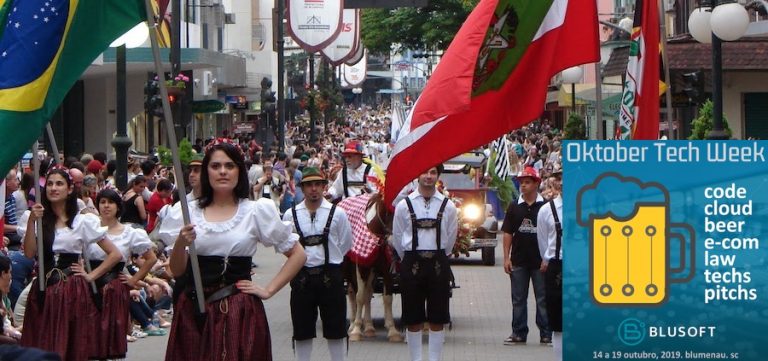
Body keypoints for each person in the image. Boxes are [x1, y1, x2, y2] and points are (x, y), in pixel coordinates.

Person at [159, 140, 306, 361]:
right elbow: (177, 270)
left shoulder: (255, 211)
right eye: (215, 166)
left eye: (229, 166)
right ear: (207, 171)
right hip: (193, 310)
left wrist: (268, 290)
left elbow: (298, 254)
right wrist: (181, 242)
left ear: (239, 171)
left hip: (238, 311)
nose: (223, 172)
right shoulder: (187, 212)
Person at [17, 167, 123, 361]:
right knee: (42, 340)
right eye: (49, 184)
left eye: (59, 184)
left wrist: (90, 275)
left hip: (71, 290)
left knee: (69, 344)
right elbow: (30, 252)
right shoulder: (37, 219)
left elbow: (115, 254)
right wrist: (32, 220)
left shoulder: (82, 221)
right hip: (42, 288)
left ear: (69, 189)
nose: (53, 188)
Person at [282, 167, 353, 361]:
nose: (313, 189)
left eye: (317, 184)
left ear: (324, 187)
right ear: (302, 188)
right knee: (302, 329)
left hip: (330, 276)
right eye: (308, 185)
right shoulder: (290, 215)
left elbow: (345, 244)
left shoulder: (338, 213)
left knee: (336, 328)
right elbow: (285, 246)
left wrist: (330, 260)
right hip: (302, 277)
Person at [391, 165, 458, 361]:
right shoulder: (404, 205)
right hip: (412, 263)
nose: (428, 177)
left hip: (438, 264)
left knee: (438, 317)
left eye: (432, 173)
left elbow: (451, 238)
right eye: (424, 172)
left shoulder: (448, 206)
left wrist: (439, 255)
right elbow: (397, 236)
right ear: (417, 175)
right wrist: (408, 259)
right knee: (413, 318)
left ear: (438, 176)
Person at [88, 189, 159, 359]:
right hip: (89, 286)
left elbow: (150, 259)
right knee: (90, 336)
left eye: (110, 202)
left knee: (110, 337)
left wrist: (133, 279)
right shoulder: (90, 228)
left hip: (113, 287)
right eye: (102, 202)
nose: (106, 206)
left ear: (118, 207)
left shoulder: (130, 233)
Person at [501, 166, 551, 345]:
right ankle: (519, 333)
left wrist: (549, 258)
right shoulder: (514, 207)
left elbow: (552, 233)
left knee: (543, 298)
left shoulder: (545, 206)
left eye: (527, 182)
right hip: (519, 261)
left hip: (540, 262)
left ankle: (546, 333)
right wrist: (506, 258)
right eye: (521, 182)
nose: (523, 185)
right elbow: (507, 233)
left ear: (536, 184)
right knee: (518, 299)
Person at [537, 165, 563, 360]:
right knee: (557, 319)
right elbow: (543, 241)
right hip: (556, 266)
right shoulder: (547, 210)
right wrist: (549, 257)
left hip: (583, 267)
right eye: (558, 178)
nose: (562, 182)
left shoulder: (587, 204)